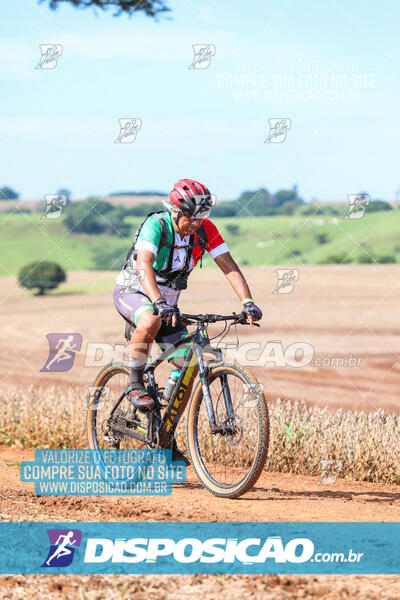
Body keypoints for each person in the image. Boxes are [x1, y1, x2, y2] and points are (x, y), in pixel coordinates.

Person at [113, 178, 262, 462]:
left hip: (166, 304)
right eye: (191, 217)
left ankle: (165, 436)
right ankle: (134, 382)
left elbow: (228, 265)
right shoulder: (156, 225)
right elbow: (143, 262)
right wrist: (157, 301)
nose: (196, 222)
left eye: (202, 217)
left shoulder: (205, 231)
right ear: (175, 210)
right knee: (150, 320)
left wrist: (248, 302)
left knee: (191, 364)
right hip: (134, 292)